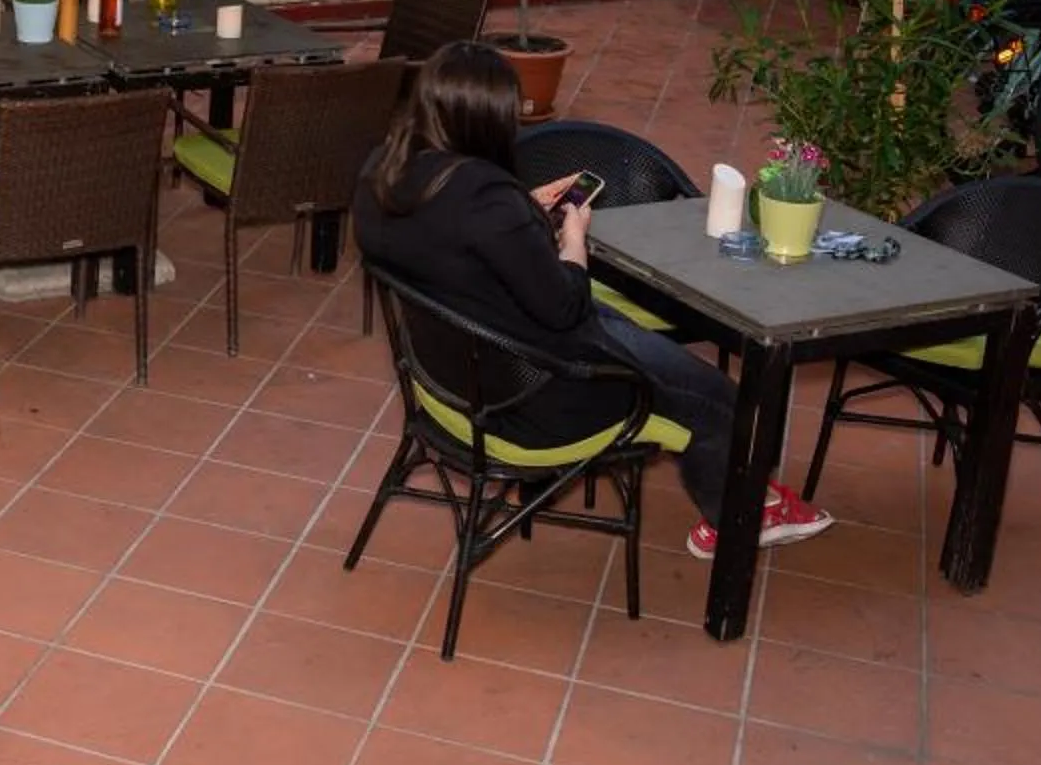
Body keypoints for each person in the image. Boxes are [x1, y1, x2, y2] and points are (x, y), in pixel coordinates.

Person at [351, 42, 833, 560]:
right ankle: (738, 516)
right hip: (538, 396)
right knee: (720, 400)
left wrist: (524, 212)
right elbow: (564, 307)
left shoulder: (383, 172)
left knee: (641, 335)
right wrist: (572, 236)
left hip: (452, 382)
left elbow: (453, 235)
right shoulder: (487, 200)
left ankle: (742, 491)